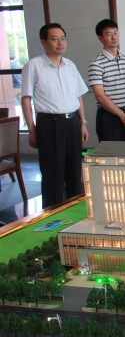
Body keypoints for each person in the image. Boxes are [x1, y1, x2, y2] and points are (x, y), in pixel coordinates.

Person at [20, 23, 89, 208]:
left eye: (63, 38)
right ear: (44, 42)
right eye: (54, 39)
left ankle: (74, 212)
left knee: (74, 171)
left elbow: (78, 95)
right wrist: (32, 130)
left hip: (72, 122)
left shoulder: (70, 65)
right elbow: (26, 99)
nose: (60, 43)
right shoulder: (33, 65)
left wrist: (82, 123)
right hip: (49, 124)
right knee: (53, 173)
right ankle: (52, 214)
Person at [88, 19, 125, 142]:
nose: (114, 37)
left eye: (116, 33)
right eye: (109, 34)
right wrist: (121, 115)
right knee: (111, 152)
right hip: (109, 117)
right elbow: (100, 96)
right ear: (100, 38)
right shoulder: (96, 63)